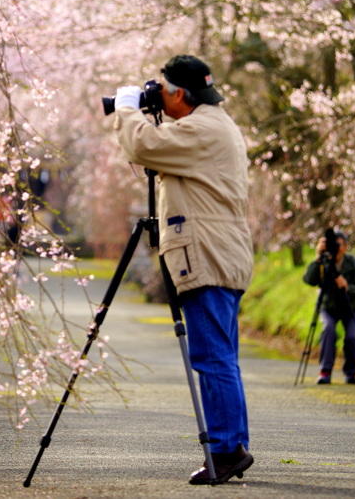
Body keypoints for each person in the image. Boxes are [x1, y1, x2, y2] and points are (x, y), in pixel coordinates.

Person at [113, 54, 254, 485]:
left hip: (208, 257)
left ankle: (227, 450)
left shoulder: (203, 129)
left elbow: (143, 146)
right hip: (220, 254)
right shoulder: (214, 124)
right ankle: (233, 447)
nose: (160, 96)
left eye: (163, 89)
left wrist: (126, 106)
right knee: (221, 358)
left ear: (179, 94)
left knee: (212, 358)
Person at [303, 230, 355, 384]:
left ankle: (351, 372)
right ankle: (325, 371)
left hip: (352, 307)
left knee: (352, 336)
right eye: (333, 245)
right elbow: (309, 280)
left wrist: (347, 287)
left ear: (345, 247)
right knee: (328, 330)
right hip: (329, 307)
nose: (336, 248)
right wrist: (318, 257)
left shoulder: (354, 263)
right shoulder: (324, 261)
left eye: (338, 245)